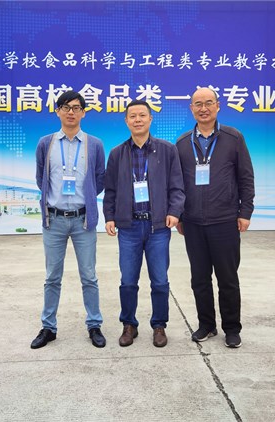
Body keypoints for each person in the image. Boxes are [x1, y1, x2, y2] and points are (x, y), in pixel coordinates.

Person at [175, 87, 255, 348]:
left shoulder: (233, 138)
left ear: (218, 106)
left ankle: (232, 328)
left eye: (208, 103)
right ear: (191, 109)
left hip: (225, 221)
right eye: (198, 104)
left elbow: (245, 177)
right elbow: (177, 184)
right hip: (193, 223)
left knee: (228, 279)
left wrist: (245, 212)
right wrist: (180, 216)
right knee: (199, 279)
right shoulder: (183, 143)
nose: (203, 108)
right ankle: (206, 325)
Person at [103, 100, 185, 348]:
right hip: (128, 228)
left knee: (159, 281)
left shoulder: (167, 150)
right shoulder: (117, 153)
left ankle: (159, 325)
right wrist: (110, 216)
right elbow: (110, 190)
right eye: (132, 116)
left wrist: (174, 212)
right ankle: (129, 325)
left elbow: (177, 187)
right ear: (126, 121)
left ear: (150, 119)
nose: (137, 120)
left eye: (142, 115)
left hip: (158, 227)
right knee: (128, 281)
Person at [32, 90, 107, 349]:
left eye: (76, 107)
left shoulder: (94, 144)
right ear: (57, 112)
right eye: (65, 107)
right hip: (54, 220)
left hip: (82, 220)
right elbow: (41, 178)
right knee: (52, 277)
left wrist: (85, 199)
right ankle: (48, 327)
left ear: (83, 113)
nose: (71, 112)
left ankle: (94, 325)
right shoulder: (46, 143)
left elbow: (99, 179)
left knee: (89, 276)